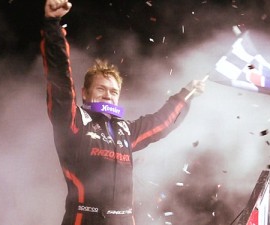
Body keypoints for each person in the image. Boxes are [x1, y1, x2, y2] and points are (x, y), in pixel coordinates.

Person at [40, 0, 205, 224]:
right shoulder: (74, 120)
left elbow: (161, 123)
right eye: (101, 89)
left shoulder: (125, 130)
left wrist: (187, 93)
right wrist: (53, 26)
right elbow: (59, 79)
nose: (108, 95)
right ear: (85, 94)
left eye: (113, 91)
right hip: (84, 218)